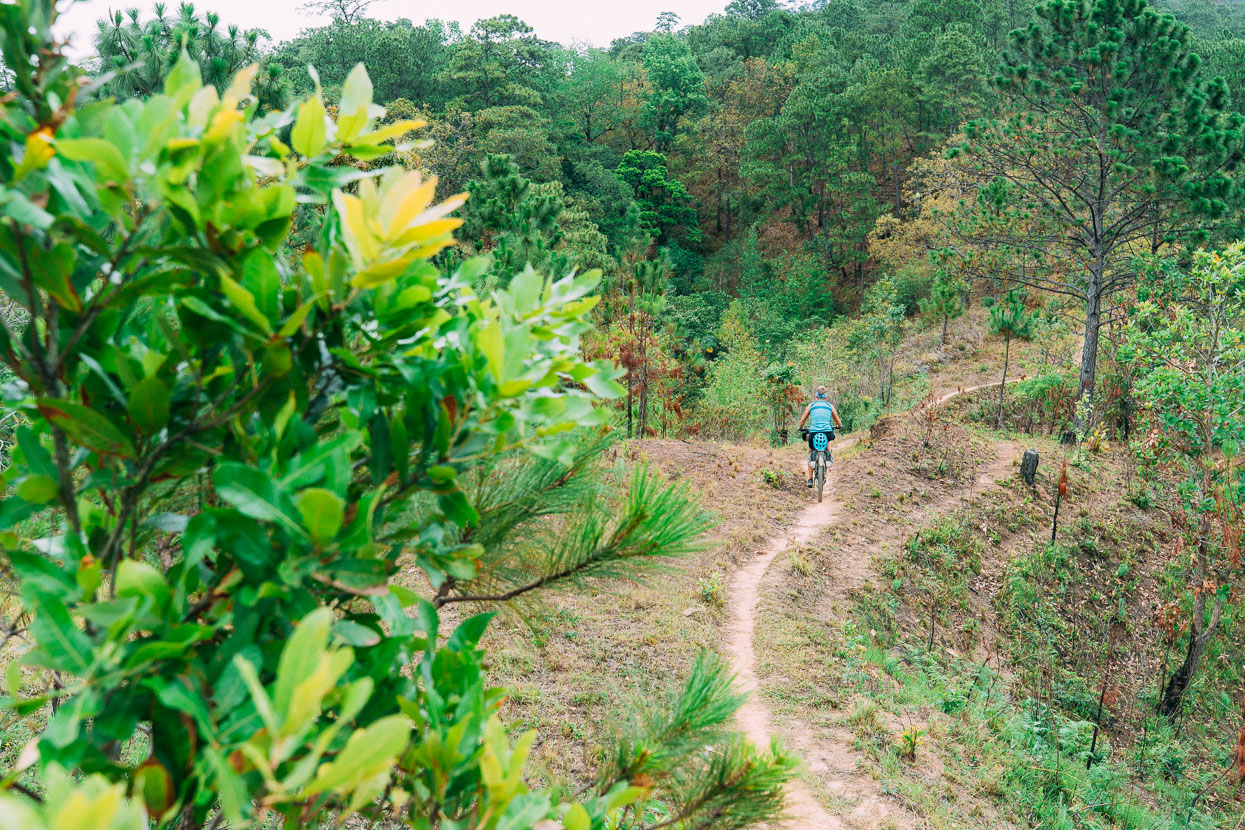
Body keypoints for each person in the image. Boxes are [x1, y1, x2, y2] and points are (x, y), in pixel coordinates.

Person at [797, 385, 843, 488]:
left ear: (816, 395)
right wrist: (839, 426)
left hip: (813, 432)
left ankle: (810, 478)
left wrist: (800, 427)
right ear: (826, 396)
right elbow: (837, 420)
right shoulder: (830, 406)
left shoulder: (811, 406)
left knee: (810, 451)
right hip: (827, 431)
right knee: (829, 440)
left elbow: (803, 420)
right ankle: (828, 457)